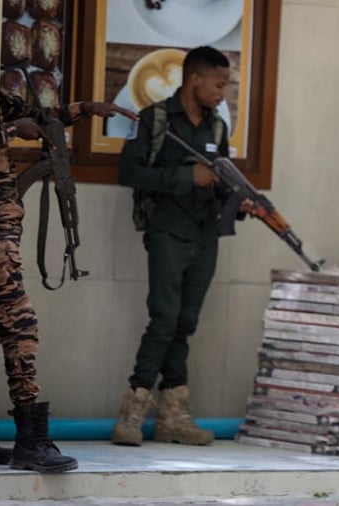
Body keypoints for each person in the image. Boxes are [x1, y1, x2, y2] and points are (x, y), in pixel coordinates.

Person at [0, 91, 135, 472]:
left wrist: (86, 109)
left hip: (0, 232)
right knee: (21, 326)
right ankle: (31, 441)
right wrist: (8, 128)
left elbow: (41, 114)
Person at [112, 46, 251, 446]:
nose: (224, 92)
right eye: (220, 84)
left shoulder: (217, 127)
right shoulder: (153, 118)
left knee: (184, 325)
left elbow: (222, 177)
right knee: (164, 319)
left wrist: (239, 202)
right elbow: (129, 172)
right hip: (167, 232)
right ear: (195, 80)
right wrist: (184, 177)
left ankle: (173, 414)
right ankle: (133, 411)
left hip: (206, 235)